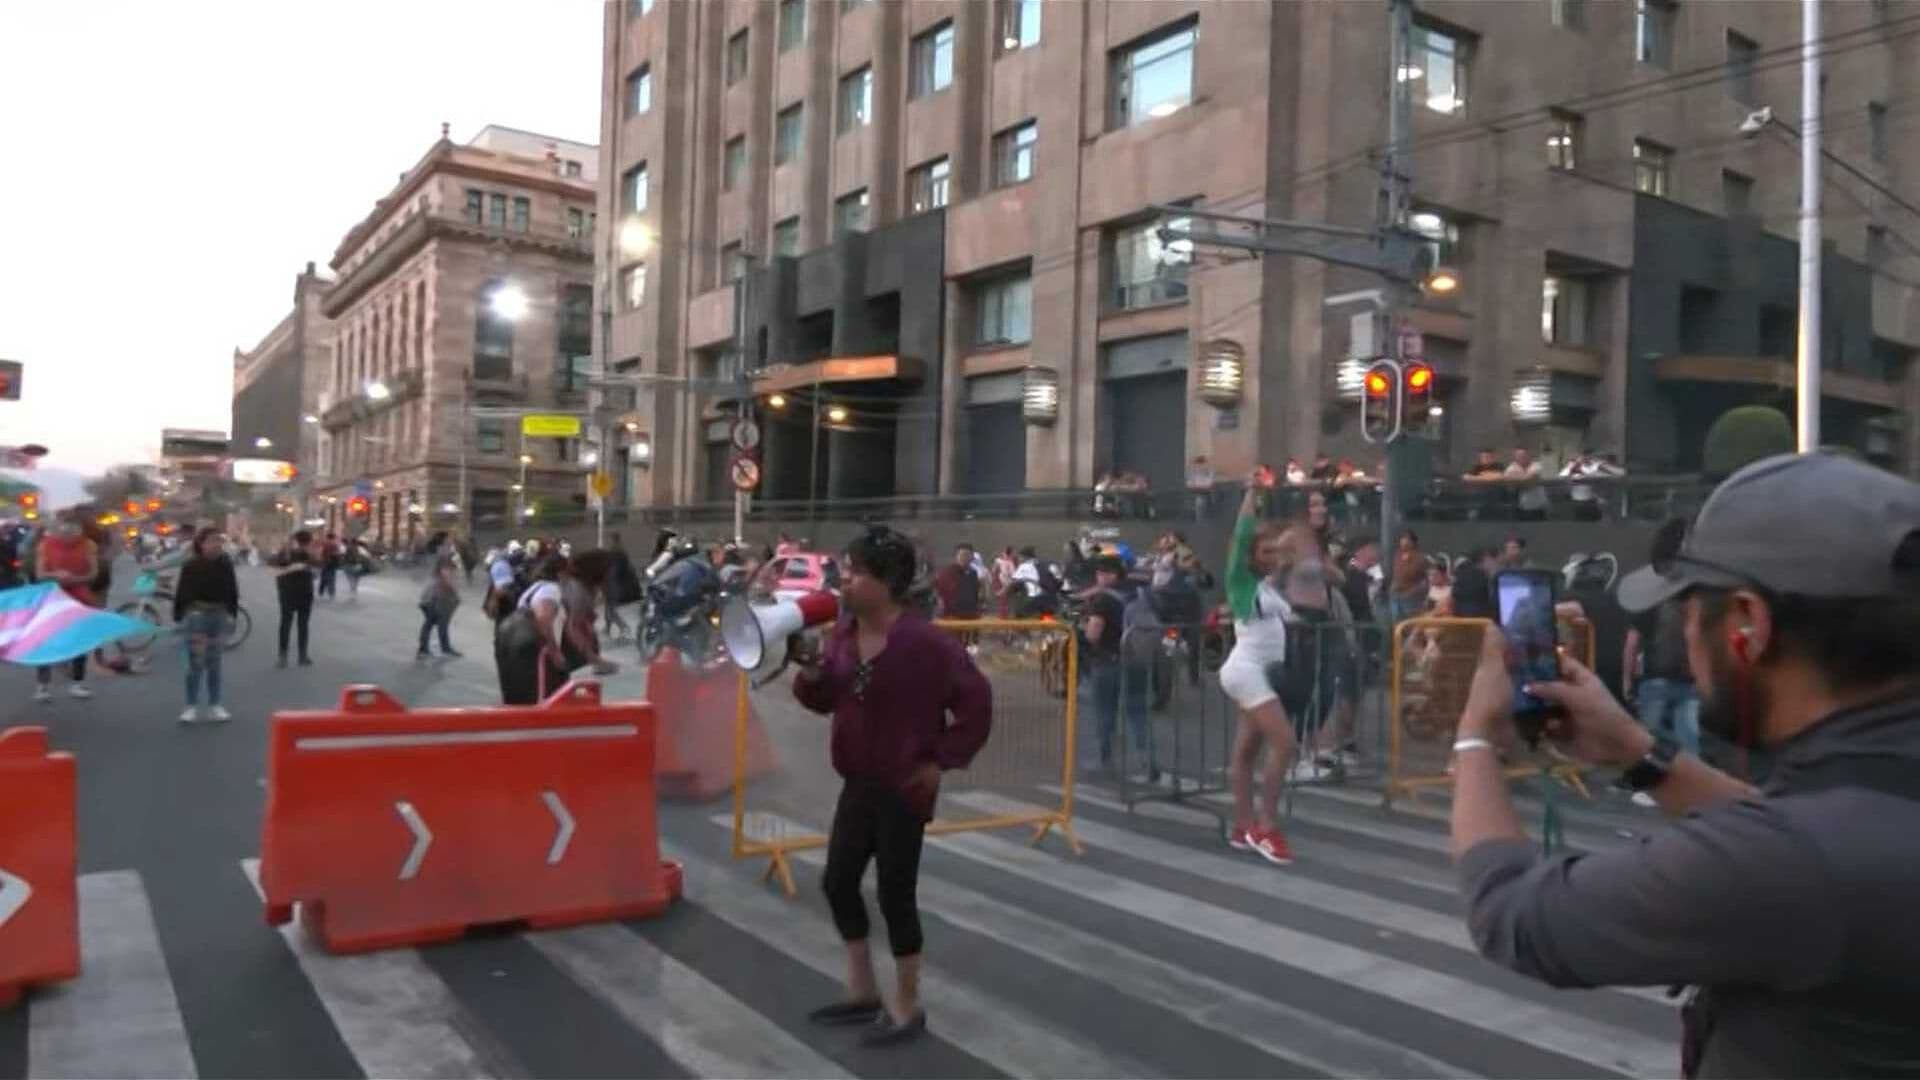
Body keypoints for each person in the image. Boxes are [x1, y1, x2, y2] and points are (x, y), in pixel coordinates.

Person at [1450, 452, 1920, 1078]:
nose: (1687, 638)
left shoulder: (1789, 864)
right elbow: (1821, 838)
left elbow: (1515, 914)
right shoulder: (1866, 801)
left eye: (1688, 611)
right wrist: (1636, 755)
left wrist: (1476, 736)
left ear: (1748, 624)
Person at [795, 526, 992, 1046]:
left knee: (894, 894)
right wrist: (813, 675)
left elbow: (976, 705)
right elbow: (825, 699)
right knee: (838, 881)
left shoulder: (928, 644)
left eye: (857, 572)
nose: (845, 581)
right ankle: (862, 988)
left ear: (887, 582)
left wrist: (940, 762)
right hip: (858, 782)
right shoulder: (842, 636)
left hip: (905, 787)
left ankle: (907, 1005)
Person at [1219, 479, 1305, 866]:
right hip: (1247, 670)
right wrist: (1251, 495)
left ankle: (1242, 826)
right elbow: (1240, 538)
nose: (1271, 554)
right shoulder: (1239, 579)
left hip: (1259, 672)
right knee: (1285, 743)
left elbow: (1290, 554)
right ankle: (1266, 827)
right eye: (1264, 549)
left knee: (1246, 753)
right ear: (1251, 553)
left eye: (1274, 550)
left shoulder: (1267, 586)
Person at [1623, 519, 1701, 758]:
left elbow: (1632, 643)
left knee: (1652, 745)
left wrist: (1627, 682)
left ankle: (1657, 789)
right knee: (1689, 746)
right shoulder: (1698, 597)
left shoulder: (1652, 597)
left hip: (1659, 680)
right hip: (1689, 683)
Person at [1081, 554, 1154, 776]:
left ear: (1110, 574)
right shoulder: (1139, 592)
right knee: (1137, 711)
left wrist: (1084, 629)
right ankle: (1147, 760)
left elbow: (1094, 634)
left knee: (1105, 712)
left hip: (1108, 662)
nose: (1098, 577)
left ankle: (1105, 760)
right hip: (1138, 659)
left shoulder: (1103, 600)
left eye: (1101, 573)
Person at [32, 510, 100, 702]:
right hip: (53, 597)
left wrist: (74, 579)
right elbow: (40, 574)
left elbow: (93, 573)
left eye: (73, 528)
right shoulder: (45, 545)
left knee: (80, 641)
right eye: (64, 527)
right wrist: (57, 575)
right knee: (46, 641)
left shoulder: (89, 545)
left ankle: (77, 683)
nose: (68, 532)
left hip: (79, 596)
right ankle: (42, 687)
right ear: (57, 528)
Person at [172, 527, 238, 724]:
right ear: (201, 544)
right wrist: (181, 614)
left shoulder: (226, 564)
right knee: (195, 662)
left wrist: (232, 614)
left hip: (218, 615)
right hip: (197, 615)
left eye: (219, 540)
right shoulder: (191, 565)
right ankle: (190, 706)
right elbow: (182, 592)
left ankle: (215, 705)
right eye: (211, 541)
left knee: (214, 662)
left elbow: (232, 590)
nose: (216, 544)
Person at [270, 530, 317, 667]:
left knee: (285, 623)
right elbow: (318, 565)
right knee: (303, 624)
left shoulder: (287, 553)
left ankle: (282, 656)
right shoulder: (308, 554)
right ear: (309, 541)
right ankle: (302, 656)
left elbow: (275, 564)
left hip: (286, 592)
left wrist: (285, 548)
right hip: (305, 592)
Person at [416, 549, 462, 661]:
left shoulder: (439, 569)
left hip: (428, 599)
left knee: (430, 624)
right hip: (433, 600)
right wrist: (455, 595)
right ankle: (439, 649)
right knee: (438, 624)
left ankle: (424, 649)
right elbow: (446, 582)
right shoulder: (444, 568)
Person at [932, 544, 982, 622]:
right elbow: (939, 591)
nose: (964, 558)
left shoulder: (973, 574)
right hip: (951, 616)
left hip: (971, 616)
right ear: (956, 556)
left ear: (972, 557)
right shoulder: (947, 572)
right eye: (961, 555)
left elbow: (975, 594)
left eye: (967, 555)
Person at [1388, 530, 1428, 622]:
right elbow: (1396, 574)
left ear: (1413, 542)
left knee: (1410, 623)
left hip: (1411, 599)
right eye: (1402, 538)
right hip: (1395, 596)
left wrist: (1413, 592)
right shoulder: (1397, 556)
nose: (1403, 541)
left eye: (1406, 539)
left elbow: (1426, 580)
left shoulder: (1420, 559)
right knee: (1396, 624)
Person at [1505, 447, 1549, 520]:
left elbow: (1530, 480)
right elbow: (1507, 483)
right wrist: (1524, 481)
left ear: (1528, 456)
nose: (1521, 457)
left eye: (1523, 455)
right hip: (1521, 508)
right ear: (1515, 457)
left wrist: (1516, 481)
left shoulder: (1537, 465)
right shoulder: (1511, 467)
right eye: (1518, 455)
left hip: (1539, 507)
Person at [317, 532, 342, 599]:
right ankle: (331, 592)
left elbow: (322, 553)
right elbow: (338, 554)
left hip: (326, 562)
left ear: (327, 537)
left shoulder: (325, 544)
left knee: (323, 577)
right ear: (333, 537)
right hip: (333, 563)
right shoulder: (335, 544)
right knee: (332, 577)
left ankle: (321, 591)